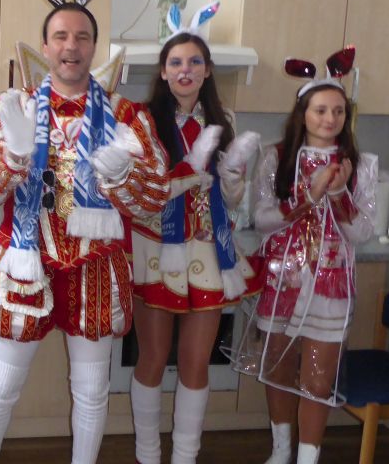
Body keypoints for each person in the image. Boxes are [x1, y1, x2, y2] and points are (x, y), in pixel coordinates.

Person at [0, 0, 170, 464]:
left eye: (81, 37)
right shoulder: (14, 107)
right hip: (26, 259)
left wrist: (123, 176)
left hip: (96, 263)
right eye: (60, 36)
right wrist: (12, 159)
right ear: (45, 45)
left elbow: (155, 199)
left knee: (91, 391)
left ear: (94, 46)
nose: (70, 46)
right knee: (2, 383)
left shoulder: (127, 116)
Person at [234, 46, 376, 464]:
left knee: (317, 380)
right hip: (284, 280)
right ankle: (281, 453)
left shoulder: (360, 165)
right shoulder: (276, 158)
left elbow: (363, 232)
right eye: (321, 110)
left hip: (331, 285)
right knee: (278, 370)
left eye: (338, 111)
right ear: (303, 114)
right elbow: (262, 220)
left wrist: (339, 194)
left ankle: (307, 460)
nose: (330, 119)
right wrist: (306, 197)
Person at [129, 27, 262, 464]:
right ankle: (148, 456)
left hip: (208, 249)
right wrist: (185, 174)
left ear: (207, 71)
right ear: (163, 72)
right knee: (151, 358)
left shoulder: (226, 123)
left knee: (195, 361)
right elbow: (139, 193)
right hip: (155, 249)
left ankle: (185, 457)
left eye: (194, 62)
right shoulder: (143, 122)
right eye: (176, 62)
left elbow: (232, 200)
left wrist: (233, 180)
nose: (185, 70)